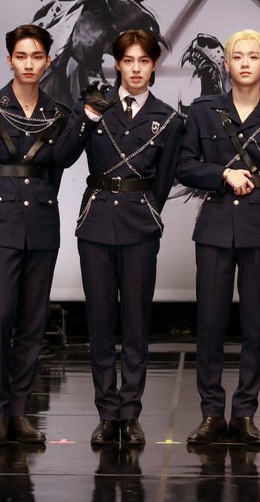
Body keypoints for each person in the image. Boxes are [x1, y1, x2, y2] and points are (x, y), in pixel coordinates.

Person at [0, 24, 91, 447]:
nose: (29, 64)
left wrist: (86, 119)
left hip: (41, 221)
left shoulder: (59, 113)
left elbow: (59, 165)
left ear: (48, 61)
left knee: (33, 321)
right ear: (9, 60)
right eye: (21, 56)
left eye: (37, 56)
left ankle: (19, 411)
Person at [176, 29, 260, 446]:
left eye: (253, 56)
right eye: (237, 56)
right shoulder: (203, 111)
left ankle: (245, 412)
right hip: (214, 226)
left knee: (256, 326)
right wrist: (222, 174)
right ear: (226, 64)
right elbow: (184, 166)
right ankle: (212, 412)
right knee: (209, 324)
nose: (245, 63)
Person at [74, 30, 184, 446]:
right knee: (100, 322)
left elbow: (164, 180)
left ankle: (130, 412)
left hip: (139, 224)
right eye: (128, 61)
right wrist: (87, 116)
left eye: (144, 61)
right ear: (117, 64)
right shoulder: (97, 107)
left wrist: (145, 211)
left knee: (136, 323)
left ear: (153, 65)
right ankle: (107, 413)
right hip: (97, 222)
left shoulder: (167, 118)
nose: (136, 69)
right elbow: (65, 153)